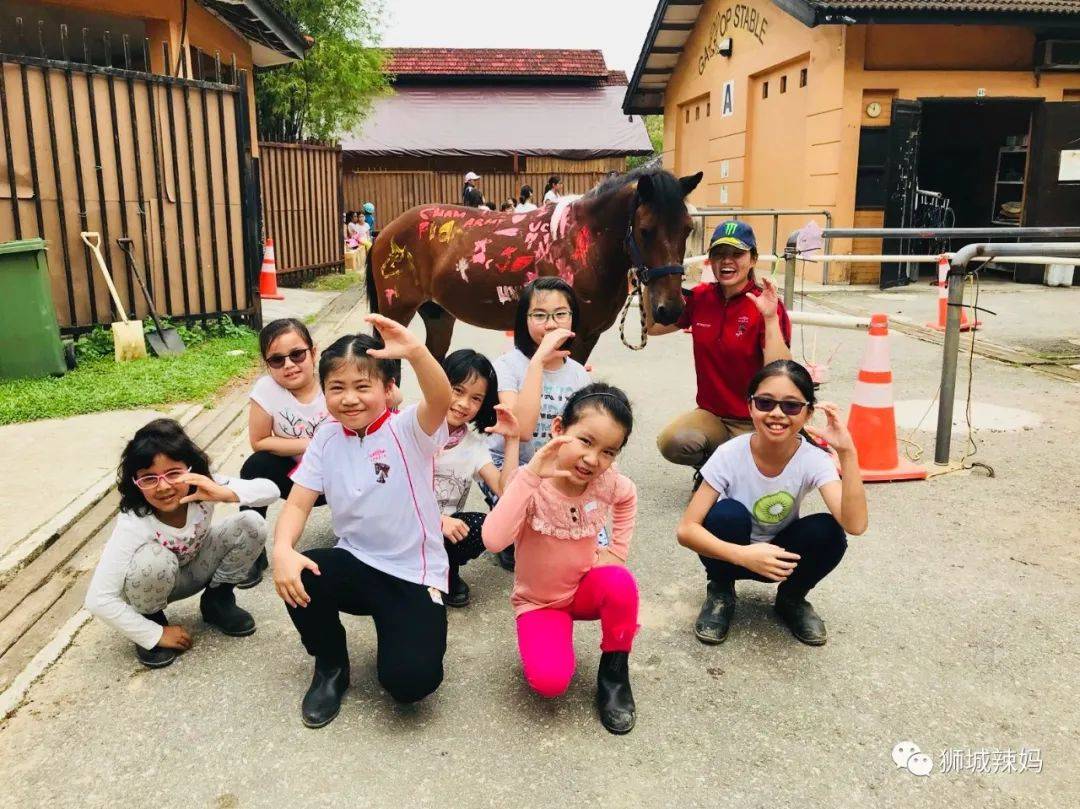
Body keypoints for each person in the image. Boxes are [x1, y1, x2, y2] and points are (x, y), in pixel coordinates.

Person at [272, 317, 452, 728]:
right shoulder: (326, 437)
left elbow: (439, 399)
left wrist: (416, 351)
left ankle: (413, 627)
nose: (349, 399)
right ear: (324, 392)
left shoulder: (409, 428)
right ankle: (331, 666)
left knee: (410, 683)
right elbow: (298, 505)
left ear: (388, 389)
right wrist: (282, 550)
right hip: (357, 561)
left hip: (412, 573)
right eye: (337, 388)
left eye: (362, 386)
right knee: (302, 573)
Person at [482, 383, 639, 734]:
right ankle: (552, 642)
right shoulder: (531, 483)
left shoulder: (606, 481)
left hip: (583, 589)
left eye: (608, 451)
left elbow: (628, 498)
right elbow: (493, 540)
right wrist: (531, 475)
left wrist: (616, 550)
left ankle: (614, 675)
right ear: (558, 430)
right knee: (551, 684)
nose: (592, 459)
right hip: (539, 603)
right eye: (585, 440)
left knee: (620, 583)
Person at [676, 360, 867, 647]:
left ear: (808, 413)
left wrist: (848, 452)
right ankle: (720, 591)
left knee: (829, 531)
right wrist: (742, 555)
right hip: (731, 553)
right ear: (750, 406)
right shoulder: (729, 454)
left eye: (791, 406)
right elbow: (687, 529)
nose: (777, 413)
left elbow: (855, 524)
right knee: (725, 515)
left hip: (780, 559)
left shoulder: (813, 459)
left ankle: (792, 597)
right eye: (765, 403)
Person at [84, 419, 277, 669]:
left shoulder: (204, 488)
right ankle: (154, 620)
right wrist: (152, 634)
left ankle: (217, 601)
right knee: (154, 559)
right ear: (135, 482)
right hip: (155, 583)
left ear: (191, 468)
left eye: (174, 474)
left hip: (198, 569)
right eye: (149, 478)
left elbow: (272, 490)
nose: (163, 486)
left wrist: (225, 494)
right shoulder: (134, 522)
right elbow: (98, 599)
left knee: (252, 522)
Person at [650, 220, 792, 485]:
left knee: (752, 484)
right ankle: (715, 466)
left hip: (756, 419)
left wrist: (770, 318)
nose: (727, 261)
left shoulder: (765, 303)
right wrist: (652, 283)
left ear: (753, 260)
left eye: (737, 254)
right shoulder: (701, 297)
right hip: (713, 416)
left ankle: (730, 470)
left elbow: (781, 371)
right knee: (672, 441)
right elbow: (654, 327)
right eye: (719, 254)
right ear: (710, 260)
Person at [486, 277, 591, 571]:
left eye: (560, 314)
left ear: (572, 318)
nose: (550, 323)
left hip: (555, 469)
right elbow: (522, 430)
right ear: (524, 320)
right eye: (539, 315)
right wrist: (538, 364)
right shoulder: (507, 365)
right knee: (521, 545)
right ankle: (509, 523)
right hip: (511, 467)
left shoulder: (579, 374)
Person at [236, 319, 334, 588]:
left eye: (297, 354)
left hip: (340, 477)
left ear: (313, 352)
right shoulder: (267, 390)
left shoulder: (333, 379)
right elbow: (259, 441)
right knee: (255, 466)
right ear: (267, 365)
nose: (289, 364)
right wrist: (312, 444)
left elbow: (385, 401)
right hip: (295, 480)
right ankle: (251, 552)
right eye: (277, 360)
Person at [435, 349, 518, 607]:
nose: (463, 403)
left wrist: (512, 439)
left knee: (486, 526)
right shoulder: (413, 425)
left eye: (475, 398)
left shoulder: (473, 444)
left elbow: (506, 490)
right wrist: (435, 519)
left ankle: (444, 571)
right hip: (405, 524)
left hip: (443, 534)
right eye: (457, 390)